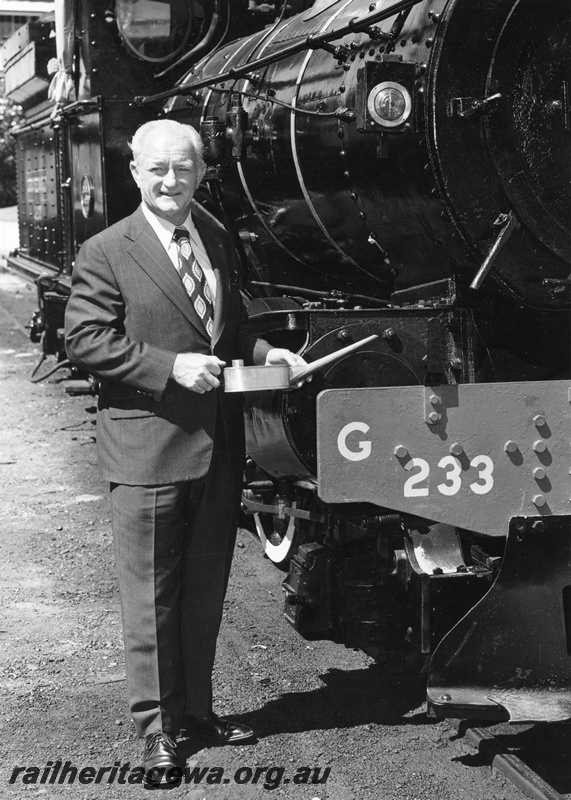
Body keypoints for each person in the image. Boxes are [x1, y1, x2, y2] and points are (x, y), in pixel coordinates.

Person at [64, 119, 307, 784]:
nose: (170, 182)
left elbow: (228, 333)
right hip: (145, 452)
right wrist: (167, 366)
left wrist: (266, 353)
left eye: (183, 169)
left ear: (201, 172)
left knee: (203, 591)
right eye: (157, 170)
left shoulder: (217, 238)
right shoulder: (107, 249)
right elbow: (83, 340)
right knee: (150, 599)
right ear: (135, 174)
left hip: (214, 450)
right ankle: (157, 730)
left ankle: (196, 712)